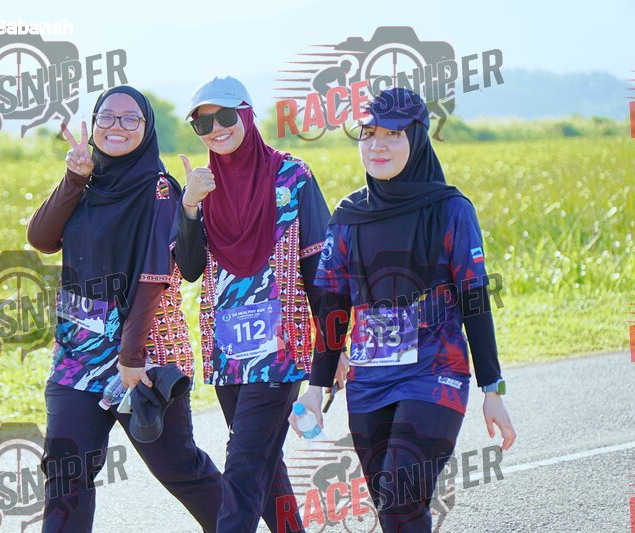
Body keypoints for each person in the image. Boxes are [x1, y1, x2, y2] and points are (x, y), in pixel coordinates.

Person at [292, 87, 517, 532]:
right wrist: (316, 387)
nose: (377, 145)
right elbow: (334, 309)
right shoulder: (348, 215)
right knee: (395, 512)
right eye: (368, 133)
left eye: (392, 134)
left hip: (434, 375)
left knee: (400, 499)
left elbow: (474, 299)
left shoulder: (450, 209)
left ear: (416, 138)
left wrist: (492, 389)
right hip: (368, 384)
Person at [27, 85, 222, 532]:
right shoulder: (86, 184)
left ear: (146, 127)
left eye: (130, 118)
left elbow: (154, 276)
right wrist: (73, 178)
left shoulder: (159, 191)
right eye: (107, 117)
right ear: (95, 123)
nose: (117, 126)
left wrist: (131, 355)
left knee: (178, 467)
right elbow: (41, 238)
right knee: (66, 471)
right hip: (77, 354)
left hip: (145, 351)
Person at [172, 75, 332, 533]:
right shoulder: (202, 186)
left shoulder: (292, 176)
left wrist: (332, 348)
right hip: (228, 351)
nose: (216, 129)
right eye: (203, 124)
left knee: (243, 464)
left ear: (245, 114)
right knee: (265, 465)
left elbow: (320, 269)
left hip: (281, 347)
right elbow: (190, 268)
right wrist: (189, 206)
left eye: (225, 116)